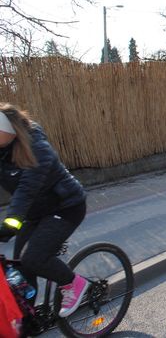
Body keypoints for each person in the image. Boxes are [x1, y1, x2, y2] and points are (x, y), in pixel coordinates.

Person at [0, 103, 88, 318]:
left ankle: (73, 284)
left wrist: (9, 224)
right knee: (21, 266)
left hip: (66, 207)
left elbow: (26, 190)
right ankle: (27, 317)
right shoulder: (2, 151)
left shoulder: (37, 147)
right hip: (34, 212)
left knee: (34, 258)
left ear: (10, 130)